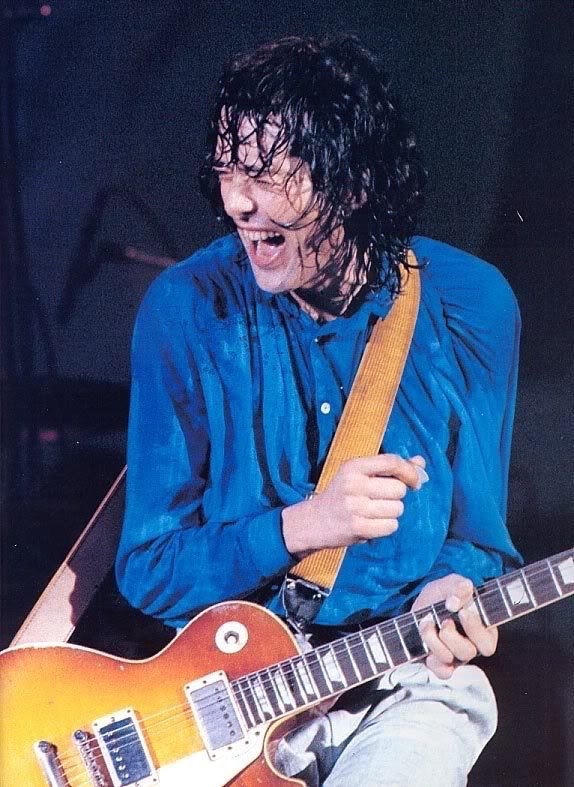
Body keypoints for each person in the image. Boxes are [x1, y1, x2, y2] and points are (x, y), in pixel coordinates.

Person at [115, 34, 522, 785]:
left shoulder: (471, 305)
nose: (237, 202)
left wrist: (452, 588)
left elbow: (477, 539)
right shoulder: (186, 309)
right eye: (229, 170)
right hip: (224, 701)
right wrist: (305, 525)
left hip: (400, 684)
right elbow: (148, 569)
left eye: (267, 174)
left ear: (352, 182)